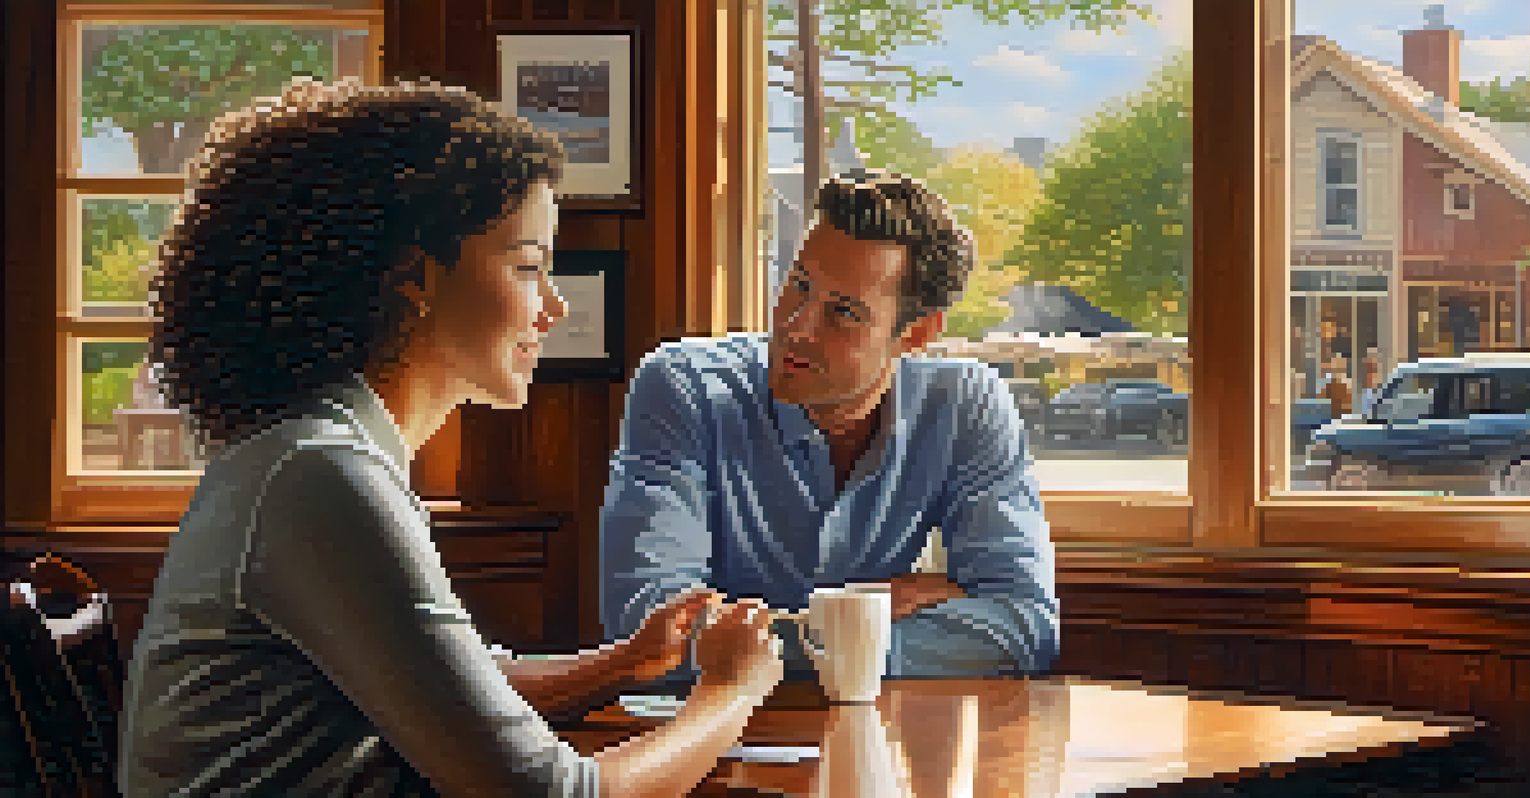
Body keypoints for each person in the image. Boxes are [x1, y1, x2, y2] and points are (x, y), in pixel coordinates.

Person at [119, 76, 783, 798]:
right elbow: (552, 795)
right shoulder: (319, 476)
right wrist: (731, 692)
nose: (553, 307)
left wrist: (623, 664)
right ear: (416, 276)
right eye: (528, 266)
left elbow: (454, 689)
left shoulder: (317, 455)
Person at [599, 169, 1058, 681]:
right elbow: (645, 632)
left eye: (842, 312)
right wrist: (861, 620)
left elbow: (1025, 627)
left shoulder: (965, 405)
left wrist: (759, 647)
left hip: (877, 739)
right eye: (799, 286)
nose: (796, 326)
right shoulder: (685, 388)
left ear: (917, 333)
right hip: (709, 742)